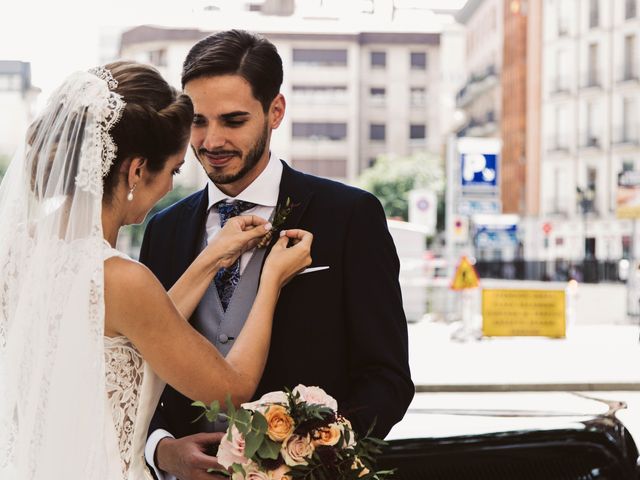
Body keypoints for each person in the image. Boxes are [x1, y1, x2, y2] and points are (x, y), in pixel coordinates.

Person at [0, 61, 312, 480]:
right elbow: (232, 389)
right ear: (136, 170)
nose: (170, 187)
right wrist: (271, 279)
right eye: (173, 170)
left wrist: (212, 256)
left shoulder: (19, 250)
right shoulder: (120, 277)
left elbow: (140, 326)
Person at [141, 30, 414, 480]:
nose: (211, 141)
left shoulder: (350, 216)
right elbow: (139, 370)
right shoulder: (164, 230)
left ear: (276, 112)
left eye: (233, 121)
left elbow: (386, 377)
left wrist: (316, 459)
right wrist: (162, 450)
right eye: (198, 121)